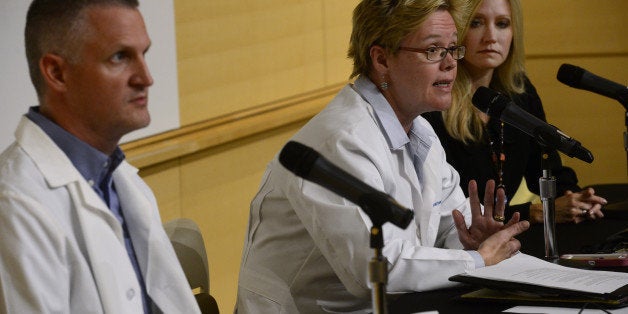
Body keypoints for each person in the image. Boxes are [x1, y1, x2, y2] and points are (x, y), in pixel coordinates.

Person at [236, 0, 530, 312]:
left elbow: (450, 224)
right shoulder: (342, 141)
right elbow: (375, 266)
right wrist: (477, 258)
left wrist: (470, 239)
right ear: (381, 59)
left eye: (453, 49)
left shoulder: (420, 130)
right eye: (433, 50)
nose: (450, 64)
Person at [0, 1, 200, 313]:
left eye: (143, 55)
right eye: (120, 57)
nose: (146, 78)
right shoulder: (15, 204)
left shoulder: (117, 179)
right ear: (57, 73)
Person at [422, 0, 607, 225]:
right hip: (458, 240)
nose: (491, 36)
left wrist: (576, 199)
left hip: (513, 238)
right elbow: (448, 208)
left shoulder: (519, 92)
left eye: (502, 24)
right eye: (476, 23)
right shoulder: (436, 98)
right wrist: (533, 212)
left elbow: (545, 167)